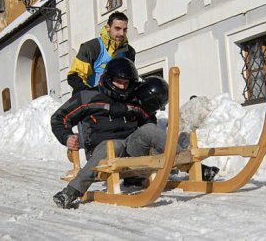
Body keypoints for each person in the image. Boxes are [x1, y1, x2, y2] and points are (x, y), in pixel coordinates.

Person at [50, 57, 218, 209]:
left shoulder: (132, 100)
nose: (123, 86)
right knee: (113, 144)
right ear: (109, 79)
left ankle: (193, 167)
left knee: (150, 130)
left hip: (130, 148)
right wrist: (66, 137)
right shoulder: (87, 97)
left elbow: (148, 123)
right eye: (118, 82)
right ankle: (72, 191)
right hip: (102, 153)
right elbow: (59, 117)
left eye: (126, 83)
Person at [67, 11, 136, 95]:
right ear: (108, 27)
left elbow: (129, 78)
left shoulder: (129, 52)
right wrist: (89, 94)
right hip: (94, 99)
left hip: (118, 98)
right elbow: (75, 76)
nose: (121, 33)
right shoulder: (91, 47)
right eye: (117, 28)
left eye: (124, 30)